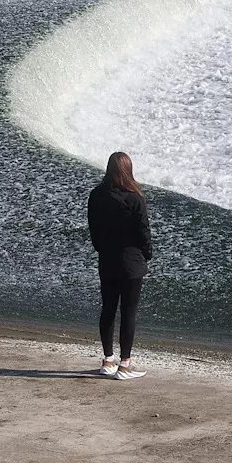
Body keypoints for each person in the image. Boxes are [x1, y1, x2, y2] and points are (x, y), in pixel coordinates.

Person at [86, 151, 153, 380]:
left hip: (107, 260)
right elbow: (143, 231)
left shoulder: (96, 195)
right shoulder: (135, 198)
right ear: (128, 170)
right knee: (128, 313)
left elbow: (93, 230)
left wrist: (103, 250)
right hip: (132, 262)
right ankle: (125, 365)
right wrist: (148, 254)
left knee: (108, 309)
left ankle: (108, 360)